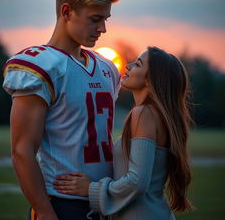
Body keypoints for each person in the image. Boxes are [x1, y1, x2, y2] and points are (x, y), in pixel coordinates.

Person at [2, 0, 120, 220]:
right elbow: (22, 150)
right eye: (95, 19)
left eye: (105, 19)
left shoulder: (107, 68)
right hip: (61, 204)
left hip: (104, 200)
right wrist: (45, 212)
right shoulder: (42, 66)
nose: (103, 29)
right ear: (67, 12)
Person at [53, 46, 194, 219]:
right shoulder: (154, 113)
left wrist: (91, 189)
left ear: (151, 80)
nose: (128, 66)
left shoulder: (144, 113)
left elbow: (137, 182)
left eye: (138, 64)